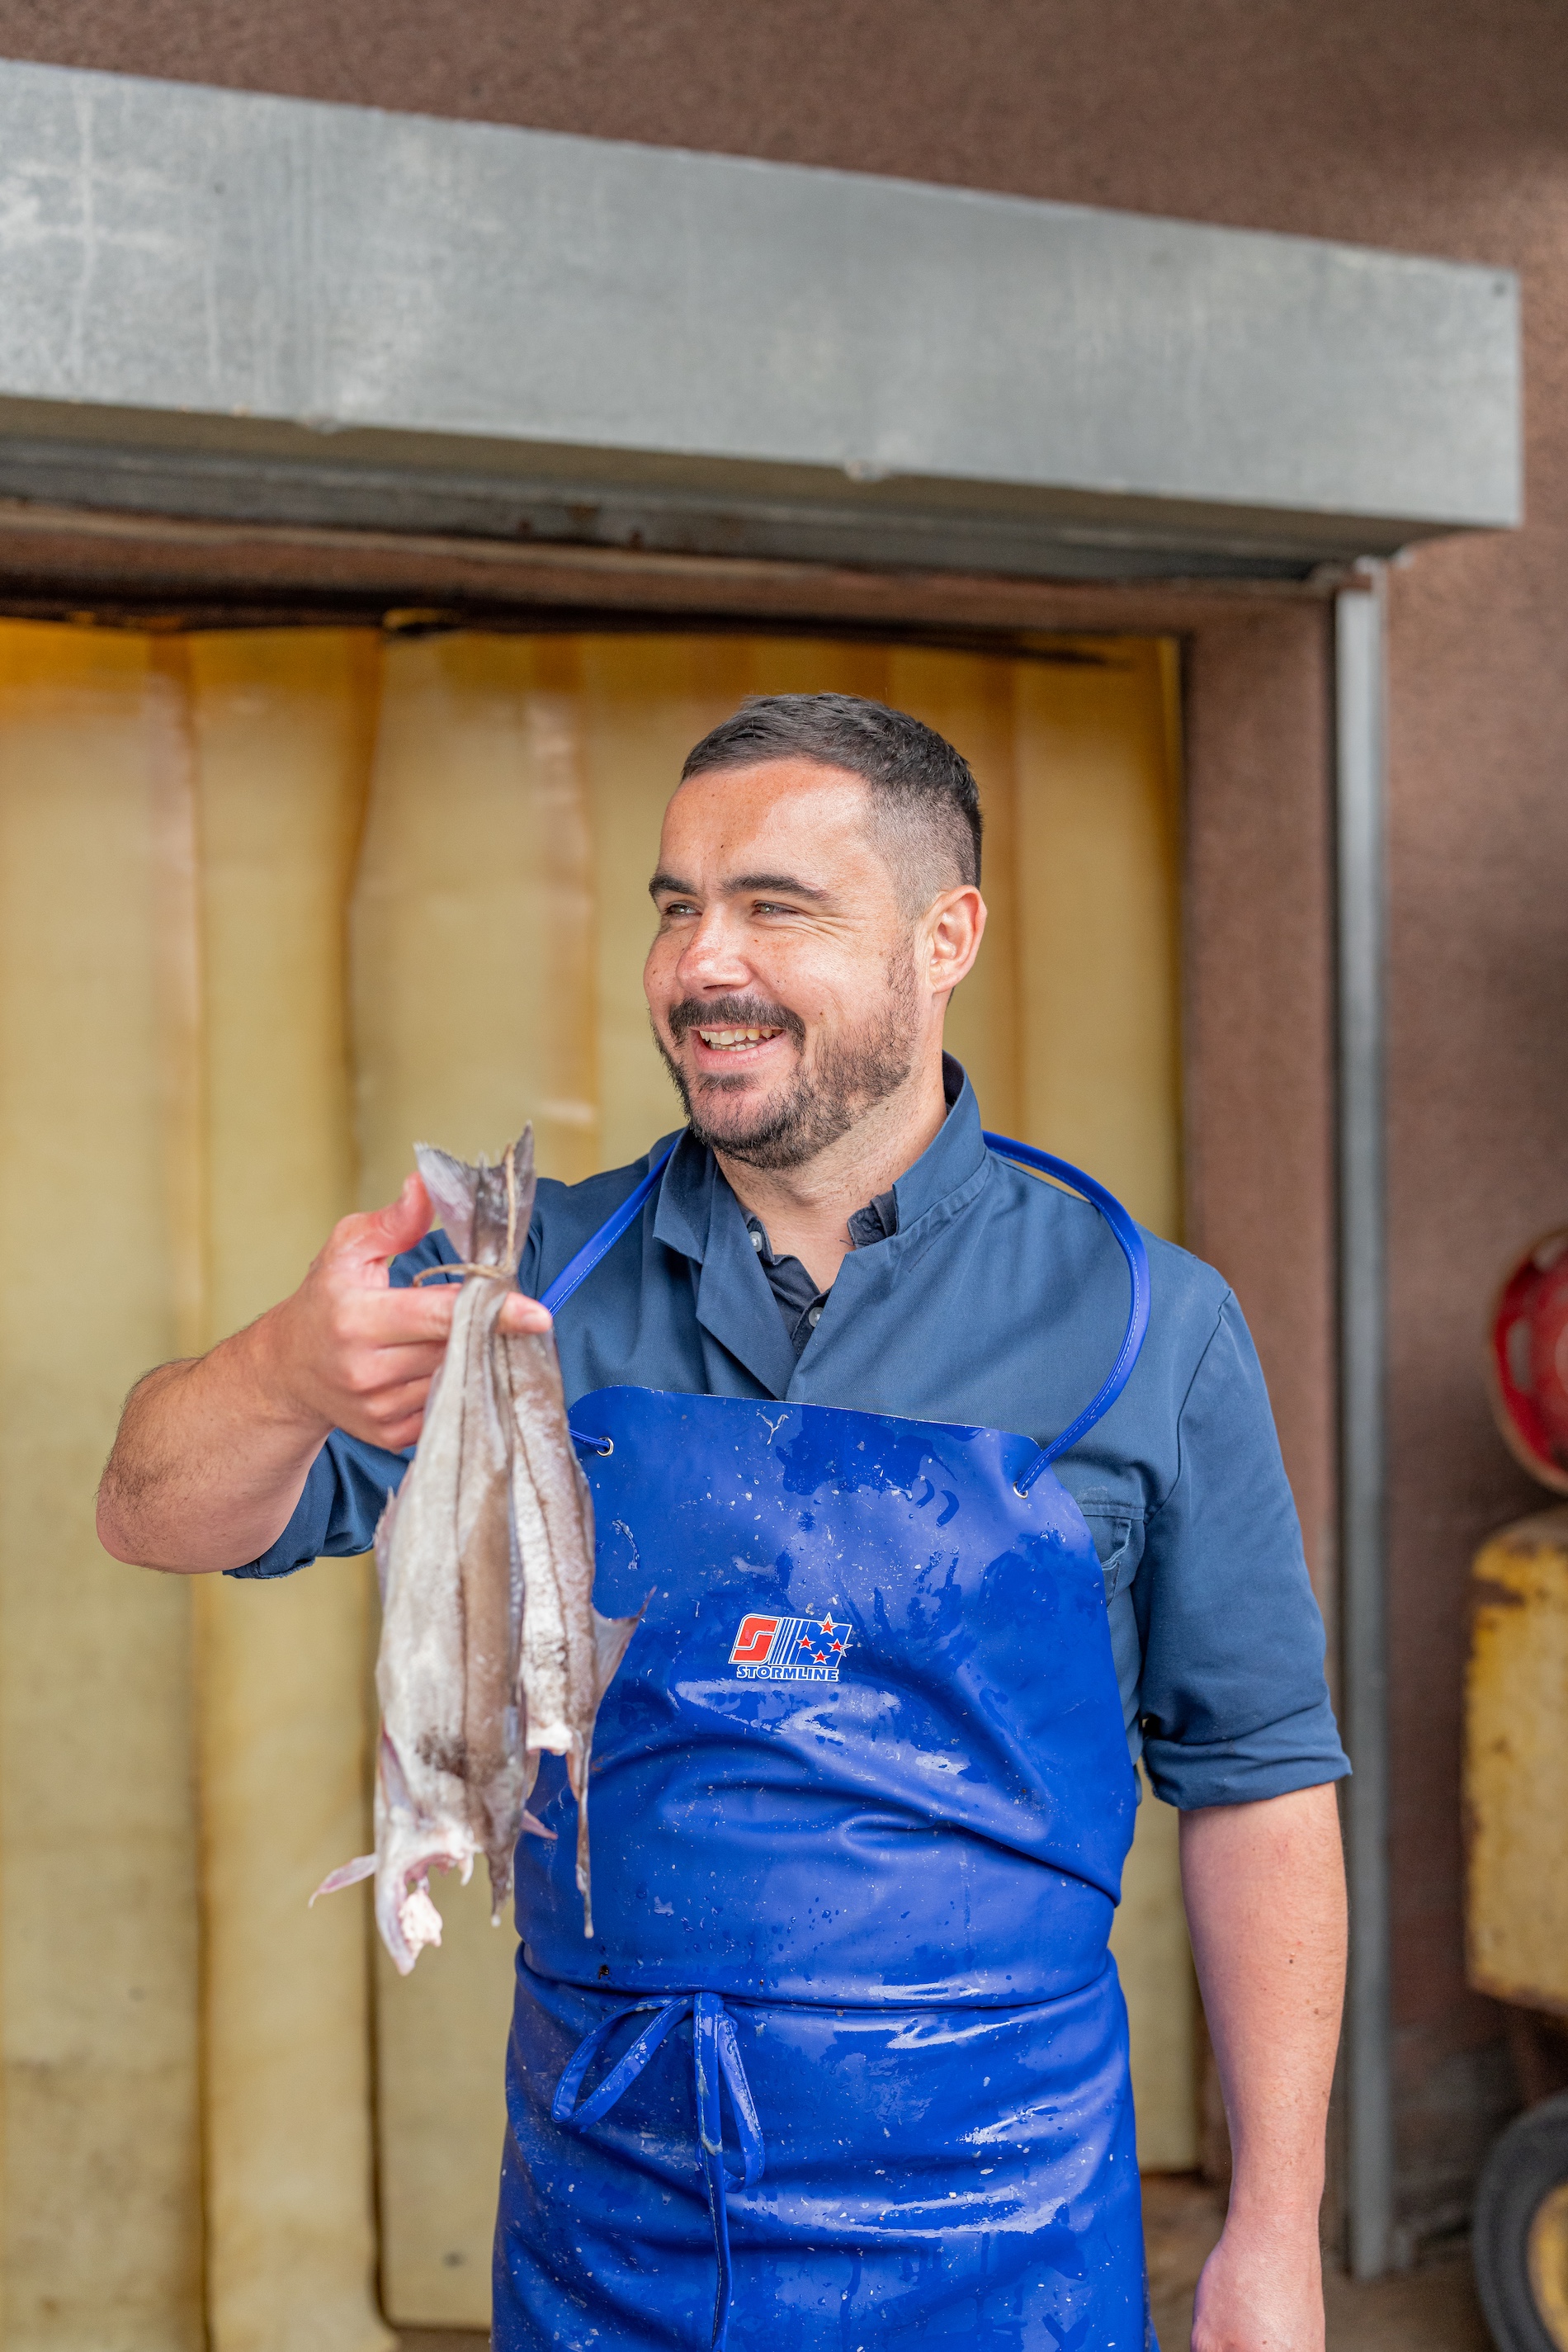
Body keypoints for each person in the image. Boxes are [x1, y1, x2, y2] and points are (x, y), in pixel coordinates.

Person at [99, 692, 1348, 2352]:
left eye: (776, 906)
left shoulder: (1138, 1323)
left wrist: (1270, 2228)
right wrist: (280, 1369)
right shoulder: (519, 1282)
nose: (701, 964)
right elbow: (151, 1510)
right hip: (614, 2208)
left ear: (943, 935)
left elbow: (1254, 1784)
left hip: (1001, 2223)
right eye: (676, 906)